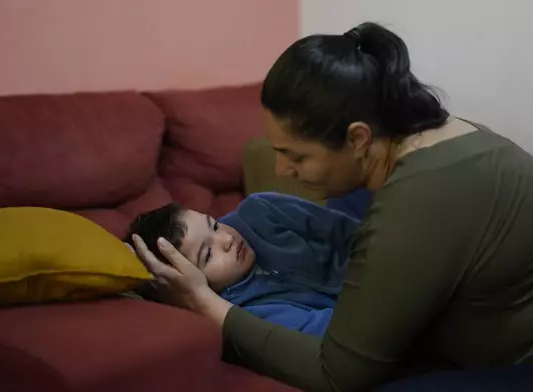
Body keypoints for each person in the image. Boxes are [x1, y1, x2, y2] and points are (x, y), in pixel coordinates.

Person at [131, 21, 533, 391]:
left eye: (297, 156)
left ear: (358, 138)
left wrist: (203, 302)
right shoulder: (455, 134)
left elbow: (337, 374)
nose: (282, 170)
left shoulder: (410, 207)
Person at [124, 192, 361, 337]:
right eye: (208, 254)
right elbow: (333, 333)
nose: (227, 239)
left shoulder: (261, 210)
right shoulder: (244, 313)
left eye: (214, 225)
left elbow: (351, 233)